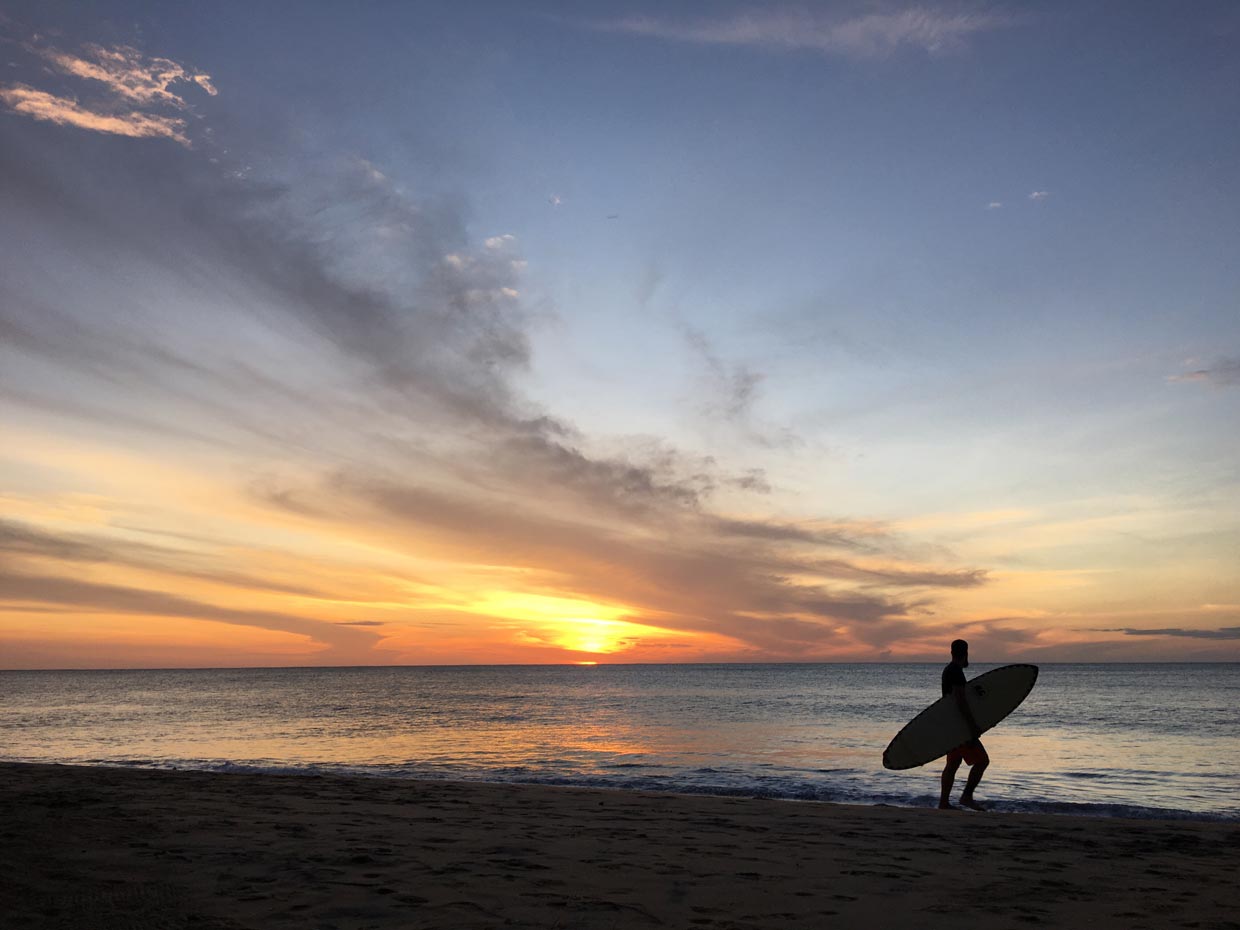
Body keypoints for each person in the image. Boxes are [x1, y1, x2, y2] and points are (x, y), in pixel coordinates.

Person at [938, 639, 989, 810]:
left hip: (951, 726)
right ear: (966, 653)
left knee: (952, 764)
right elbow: (960, 701)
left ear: (951, 652)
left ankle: (943, 803)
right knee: (982, 761)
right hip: (960, 728)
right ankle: (966, 796)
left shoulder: (949, 670)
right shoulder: (956, 672)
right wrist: (972, 726)